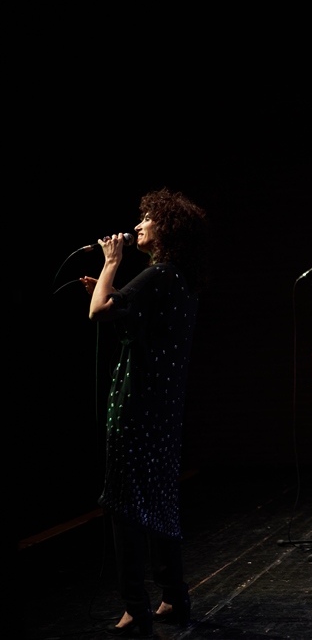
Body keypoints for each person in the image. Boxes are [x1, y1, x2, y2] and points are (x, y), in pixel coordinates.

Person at [82, 188, 208, 637]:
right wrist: (114, 290)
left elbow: (98, 312)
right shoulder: (178, 279)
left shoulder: (158, 276)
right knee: (157, 500)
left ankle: (135, 606)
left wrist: (109, 266)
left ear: (167, 229)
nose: (138, 226)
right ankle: (174, 597)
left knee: (123, 504)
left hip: (136, 408)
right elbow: (142, 331)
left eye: (149, 218)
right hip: (163, 410)